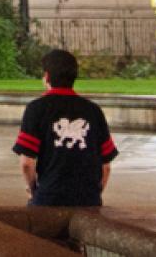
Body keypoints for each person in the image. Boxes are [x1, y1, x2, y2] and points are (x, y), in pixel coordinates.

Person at [11, 48, 117, 208]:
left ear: (46, 76)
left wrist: (34, 191)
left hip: (49, 199)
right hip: (88, 200)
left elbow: (27, 163)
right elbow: (106, 166)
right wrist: (94, 194)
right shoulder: (93, 110)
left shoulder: (36, 109)